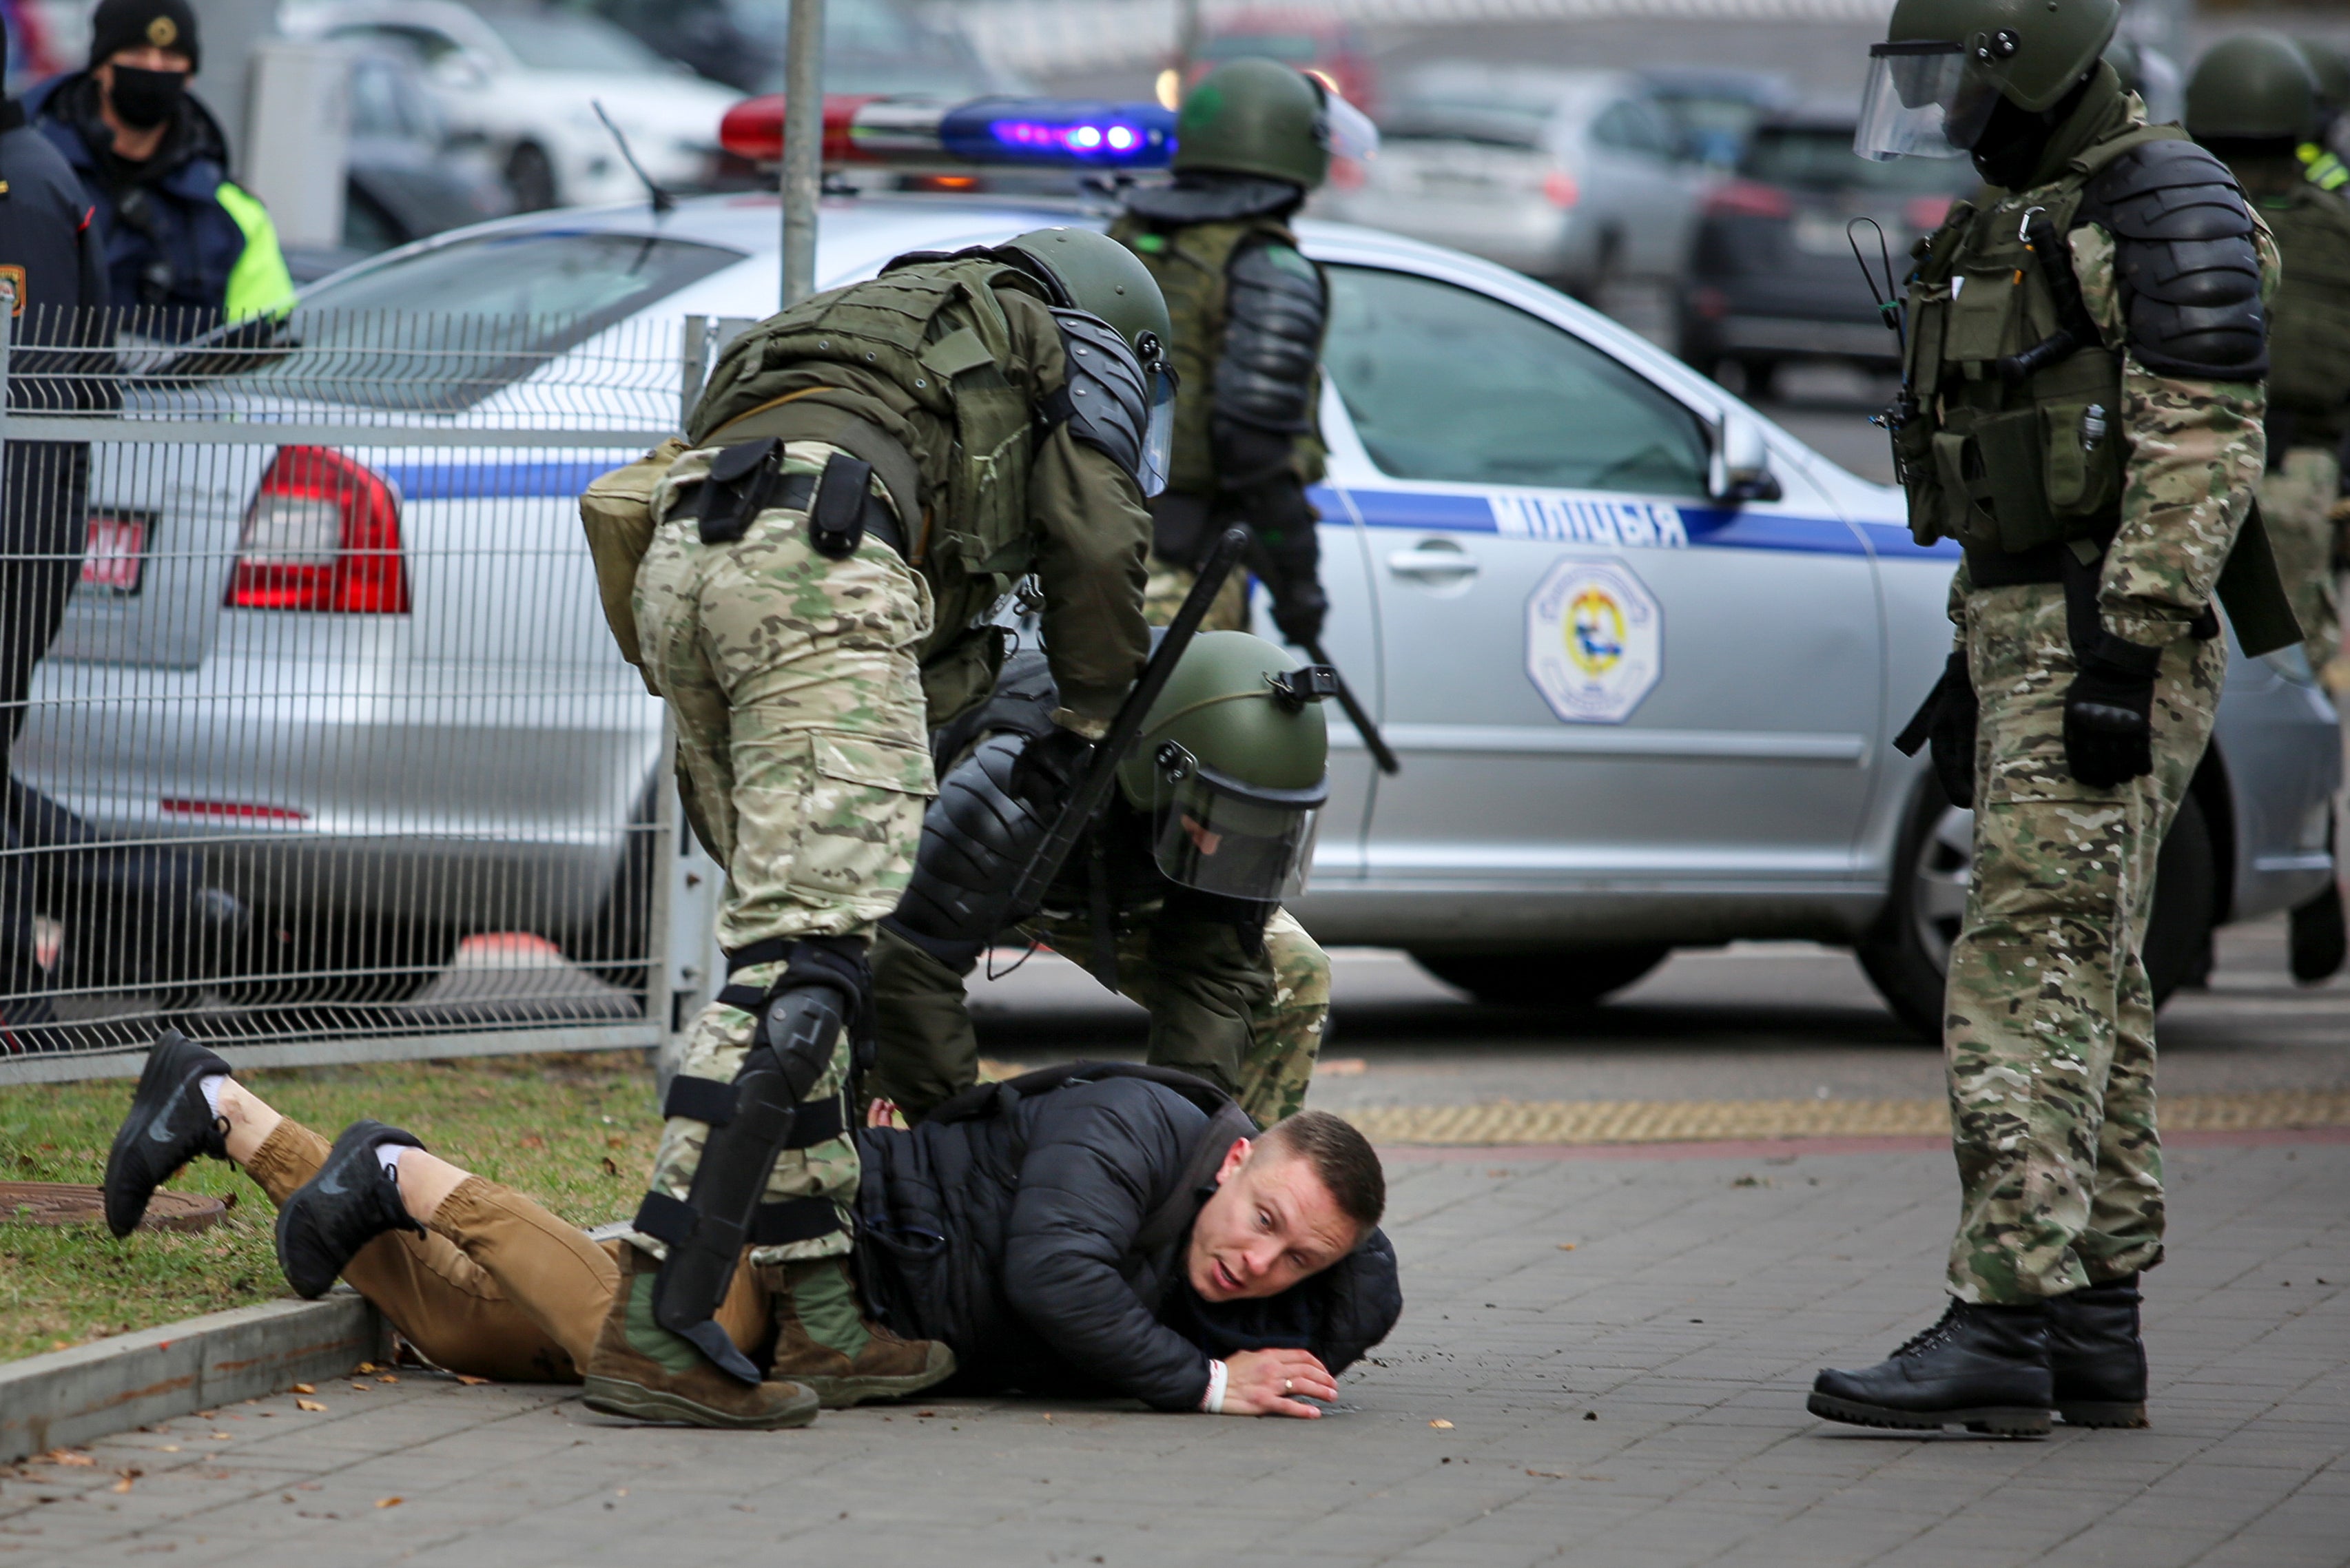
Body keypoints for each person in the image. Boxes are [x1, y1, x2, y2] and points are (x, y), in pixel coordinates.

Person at [575, 226, 1162, 1427]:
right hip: (819, 560)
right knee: (804, 968)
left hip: (685, 555)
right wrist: (1100, 712)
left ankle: (826, 1314)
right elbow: (1101, 545)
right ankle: (656, 1318)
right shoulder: (1063, 340)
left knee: (803, 959)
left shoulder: (875, 325)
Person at [1814, 0, 2291, 1436]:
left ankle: (1998, 1324)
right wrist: (1978, 667)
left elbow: (2202, 437)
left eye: (1951, 86)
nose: (1940, 117)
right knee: (2093, 981)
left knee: (2019, 979)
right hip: (2029, 626)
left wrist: (2120, 653)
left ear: (2020, 67)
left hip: (2095, 637)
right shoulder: (2041, 211)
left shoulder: (2157, 201)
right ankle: (2090, 1321)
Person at [101, 1032, 1401, 1424]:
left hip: (846, 1320)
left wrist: (1333, 1283)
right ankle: (397, 1172)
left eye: (1298, 1261)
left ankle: (218, 1107)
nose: (1259, 1263)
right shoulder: (1124, 1129)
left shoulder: (1264, 1236)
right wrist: (1214, 1379)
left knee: (473, 1331)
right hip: (798, 1251)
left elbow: (1365, 1294)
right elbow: (1054, 1277)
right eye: (1268, 1220)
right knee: (625, 1333)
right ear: (1235, 1157)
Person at [871, 632, 1335, 1128]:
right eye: (1214, 820)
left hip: (1116, 877)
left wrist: (1176, 1142)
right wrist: (962, 1135)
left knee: (1291, 971)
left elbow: (1213, 979)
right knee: (846, 981)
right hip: (947, 859)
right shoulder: (1024, 770)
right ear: (1162, 764)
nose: (1218, 848)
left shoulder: (1245, 793)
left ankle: (1231, 1183)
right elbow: (908, 959)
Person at [2185, 35, 2350, 987]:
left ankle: (2196, 904)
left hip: (2191, 463)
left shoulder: (2180, 222)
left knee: (2186, 675)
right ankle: (2307, 859)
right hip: (2298, 477)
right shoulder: (2333, 226)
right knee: (2289, 684)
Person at [1109, 57, 1366, 645]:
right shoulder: (1267, 267)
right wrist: (1298, 584)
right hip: (1175, 567)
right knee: (1183, 735)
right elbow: (1255, 448)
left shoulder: (1125, 240)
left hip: (1079, 550)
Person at [0, 14, 107, 1040]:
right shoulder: (42, 172)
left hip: (11, 533)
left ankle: (11, 988)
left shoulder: (22, 188)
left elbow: (51, 392)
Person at [24, 0, 293, 328]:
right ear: (100, 67)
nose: (154, 67)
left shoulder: (231, 213)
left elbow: (266, 344)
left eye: (171, 57)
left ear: (190, 74)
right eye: (136, 53)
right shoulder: (30, 183)